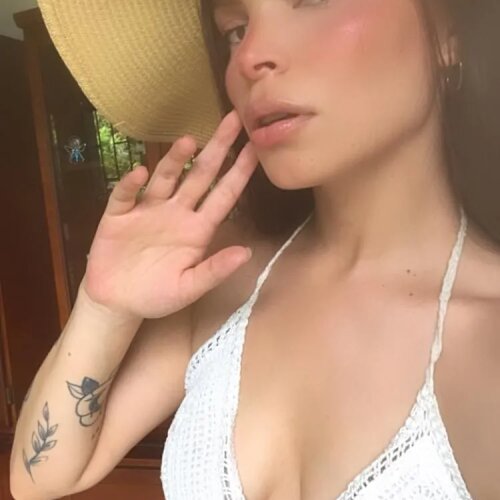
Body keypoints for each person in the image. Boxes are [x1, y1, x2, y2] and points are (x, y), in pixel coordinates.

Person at [9, 0, 500, 498]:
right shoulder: (223, 274)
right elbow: (39, 478)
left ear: (448, 32)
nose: (249, 57)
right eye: (235, 31)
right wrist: (103, 308)